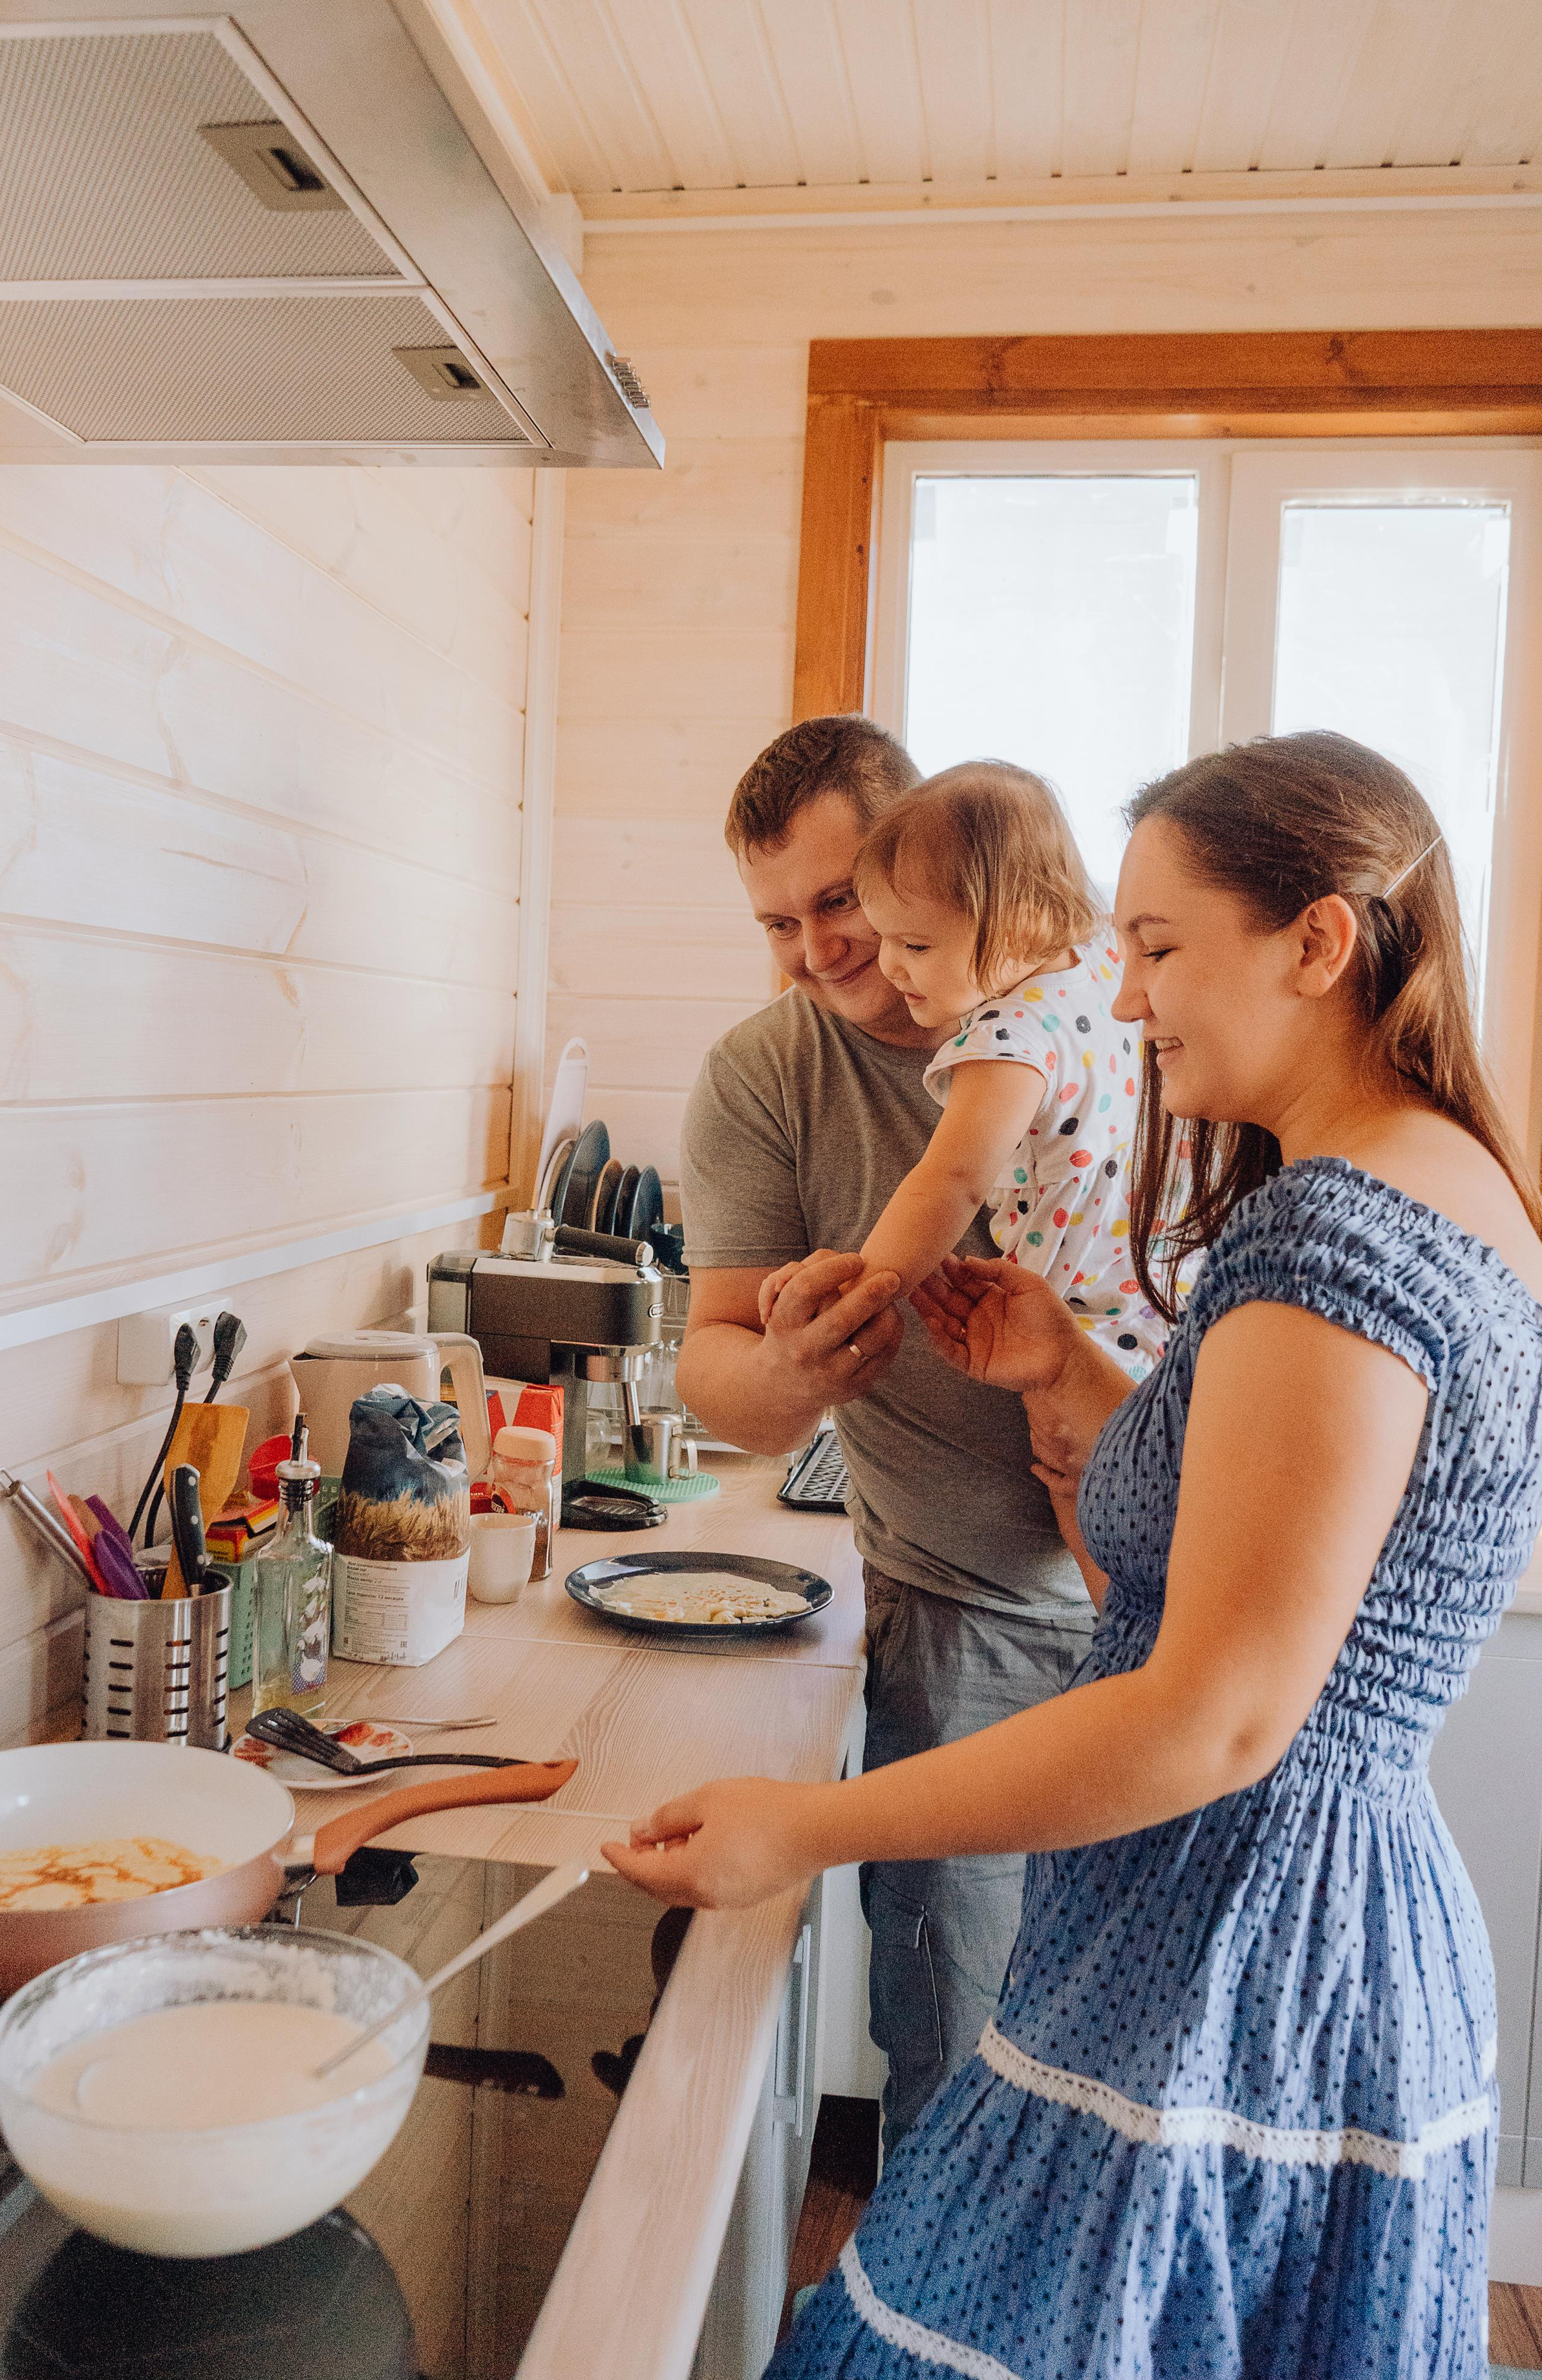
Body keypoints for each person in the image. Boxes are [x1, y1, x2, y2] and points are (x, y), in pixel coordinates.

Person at [606, 730, 1542, 2377]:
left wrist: (800, 1829)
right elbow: (1245, 1554)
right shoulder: (1455, 1182)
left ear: (1315, 944)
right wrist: (1069, 1372)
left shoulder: (1330, 1233)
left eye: (1159, 950)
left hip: (1225, 1934)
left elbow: (1215, 1718)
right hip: (1323, 1928)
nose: (1122, 1002)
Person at [674, 715, 1103, 2147]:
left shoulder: (1096, 1012)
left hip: (1166, 1616)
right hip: (955, 1623)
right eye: (776, 922)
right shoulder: (760, 1073)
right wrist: (798, 1371)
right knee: (959, 2069)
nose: (814, 948)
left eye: (839, 901)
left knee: (1134, 2071)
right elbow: (711, 1376)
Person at [759, 760, 1170, 1387]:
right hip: (1157, 1298)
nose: (892, 967)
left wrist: (863, 1287)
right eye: (886, 937)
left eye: (916, 946)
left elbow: (950, 1182)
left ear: (1024, 923)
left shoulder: (1008, 1042)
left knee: (1074, 1472)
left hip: (1077, 1325)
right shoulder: (1106, 961)